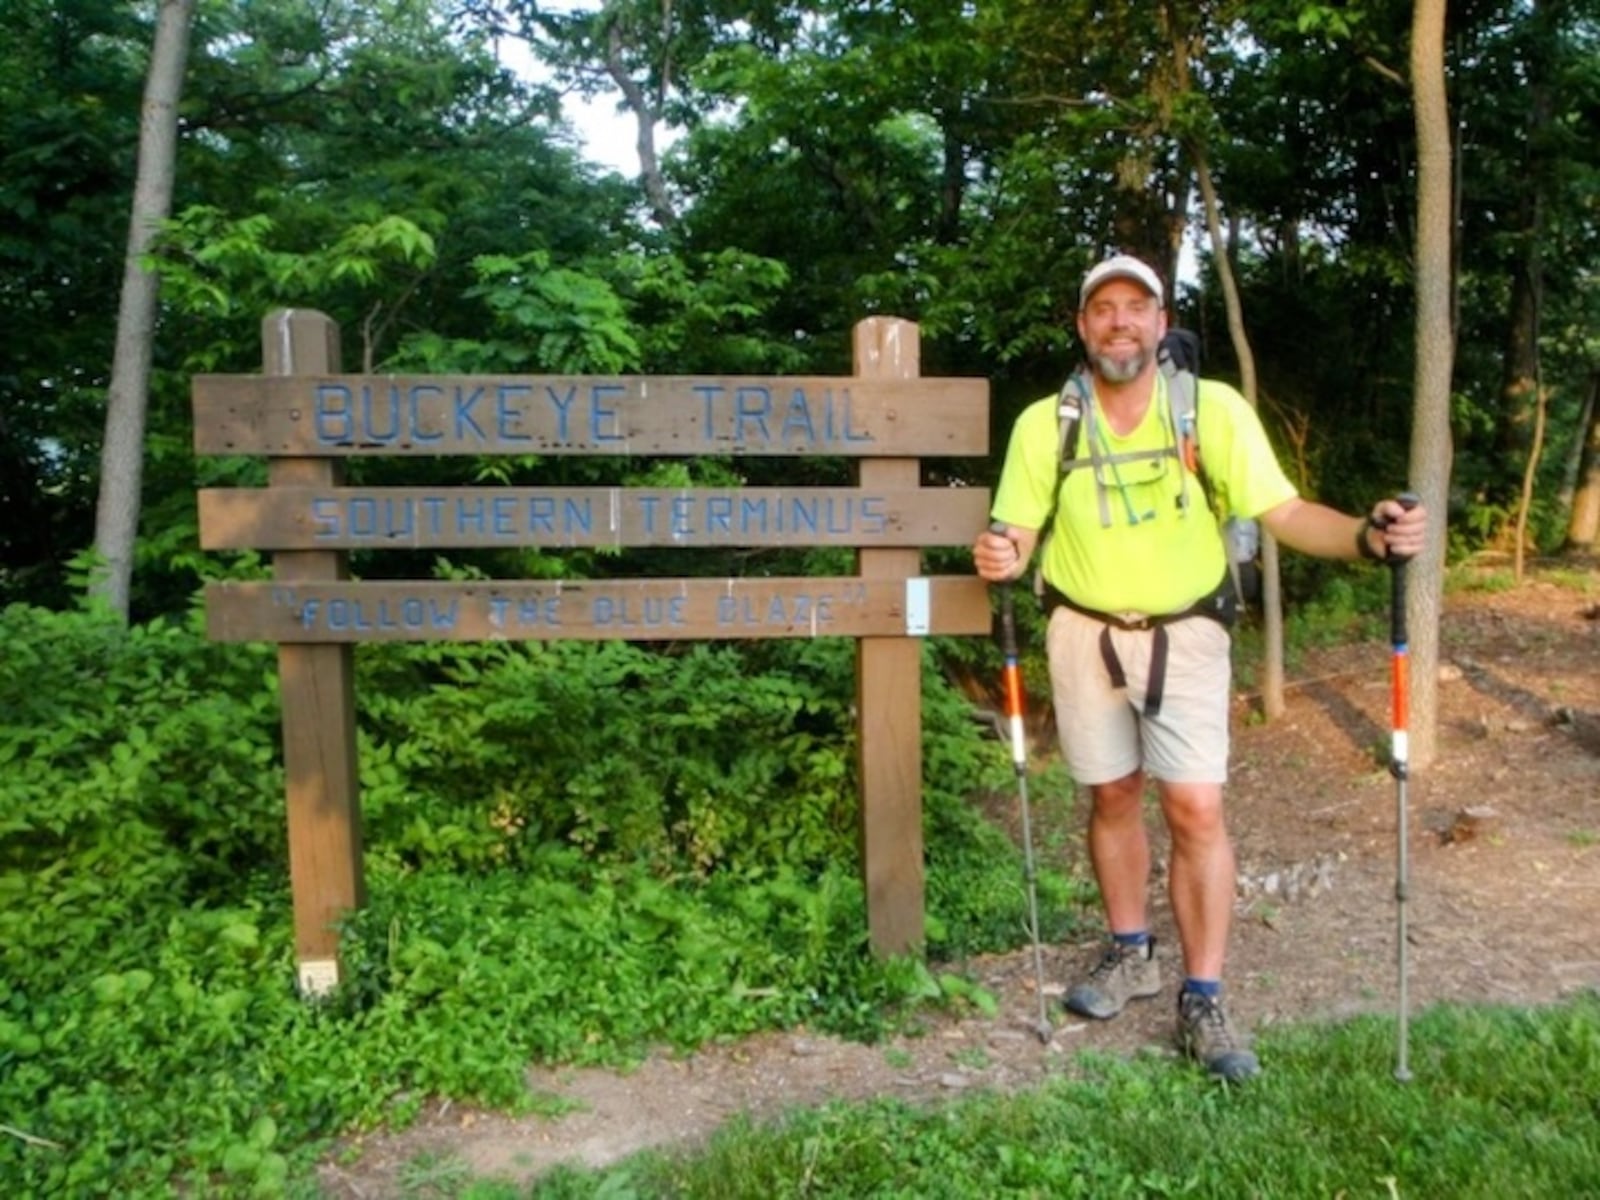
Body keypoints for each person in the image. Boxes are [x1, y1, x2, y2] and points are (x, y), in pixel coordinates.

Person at [971, 254, 1428, 1081]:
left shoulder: (1209, 410)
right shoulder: (1047, 423)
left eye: (1135, 308)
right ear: (1082, 326)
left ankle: (1204, 993)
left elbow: (1283, 512)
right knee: (1110, 795)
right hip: (1081, 630)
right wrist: (1000, 552)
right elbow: (1017, 532)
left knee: (1194, 808)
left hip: (1187, 636)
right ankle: (1129, 951)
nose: (1118, 322)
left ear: (1158, 321)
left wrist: (1367, 536)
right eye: (1102, 309)